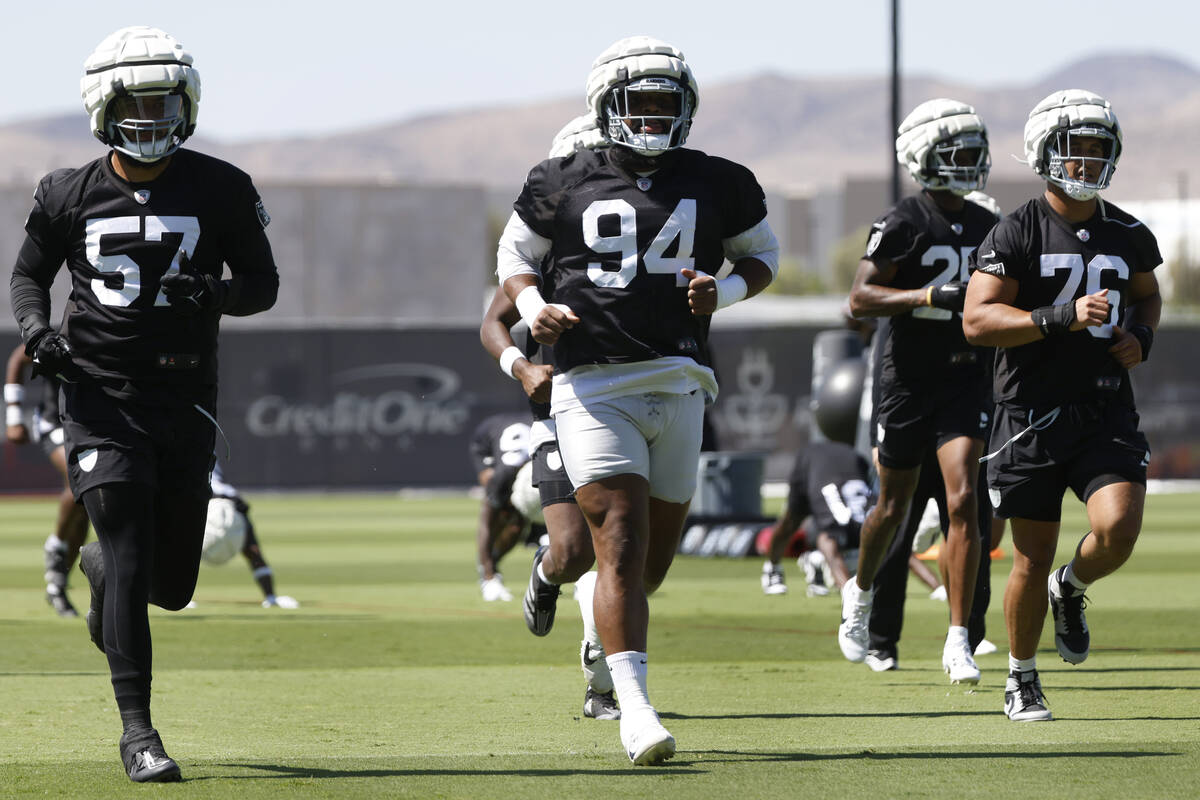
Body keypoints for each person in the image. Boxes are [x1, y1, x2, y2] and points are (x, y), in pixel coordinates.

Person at [497, 35, 778, 764]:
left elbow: (764, 255)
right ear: (607, 105)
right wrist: (533, 311)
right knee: (617, 538)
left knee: (646, 565)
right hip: (593, 384)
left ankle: (602, 632)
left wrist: (730, 288)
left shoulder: (719, 179)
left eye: (666, 102)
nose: (654, 115)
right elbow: (513, 261)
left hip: (682, 380)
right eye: (640, 101)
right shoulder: (559, 178)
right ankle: (635, 711)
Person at [9, 27, 279, 782]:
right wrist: (37, 332)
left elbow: (263, 285)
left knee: (171, 584)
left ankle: (100, 572)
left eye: (164, 100)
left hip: (184, 396)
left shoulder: (222, 185)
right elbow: (28, 277)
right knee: (129, 549)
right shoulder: (67, 190)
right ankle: (139, 734)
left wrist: (219, 293)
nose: (152, 115)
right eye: (137, 100)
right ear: (105, 105)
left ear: (187, 103)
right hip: (98, 394)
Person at [964, 89, 1160, 722]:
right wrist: (1058, 318)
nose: (1088, 162)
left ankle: (1070, 588)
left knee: (1119, 529)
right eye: (1076, 151)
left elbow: (1148, 296)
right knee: (1028, 554)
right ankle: (1021, 677)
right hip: (1031, 415)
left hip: (1104, 407)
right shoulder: (1015, 229)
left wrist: (1143, 337)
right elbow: (977, 319)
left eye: (1099, 150)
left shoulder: (1128, 231)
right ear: (1046, 152)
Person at [842, 99, 995, 685]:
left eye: (973, 152)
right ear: (923, 157)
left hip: (964, 377)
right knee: (891, 508)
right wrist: (928, 297)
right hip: (907, 381)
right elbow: (860, 299)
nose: (968, 162)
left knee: (963, 502)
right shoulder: (904, 221)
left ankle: (958, 639)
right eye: (955, 152)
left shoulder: (987, 225)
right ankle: (858, 595)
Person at [5, 345, 90, 616]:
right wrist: (14, 415)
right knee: (80, 478)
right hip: (56, 423)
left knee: (88, 505)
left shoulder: (118, 332)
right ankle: (55, 549)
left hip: (97, 428)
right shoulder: (64, 337)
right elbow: (20, 357)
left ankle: (57, 585)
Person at [204, 460, 299, 609]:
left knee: (185, 550)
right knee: (252, 550)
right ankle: (270, 597)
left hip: (207, 496)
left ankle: (177, 595)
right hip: (230, 498)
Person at [468, 412, 537, 602]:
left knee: (518, 527)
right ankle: (488, 576)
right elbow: (486, 523)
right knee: (506, 522)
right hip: (490, 448)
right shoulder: (501, 476)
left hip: (531, 471)